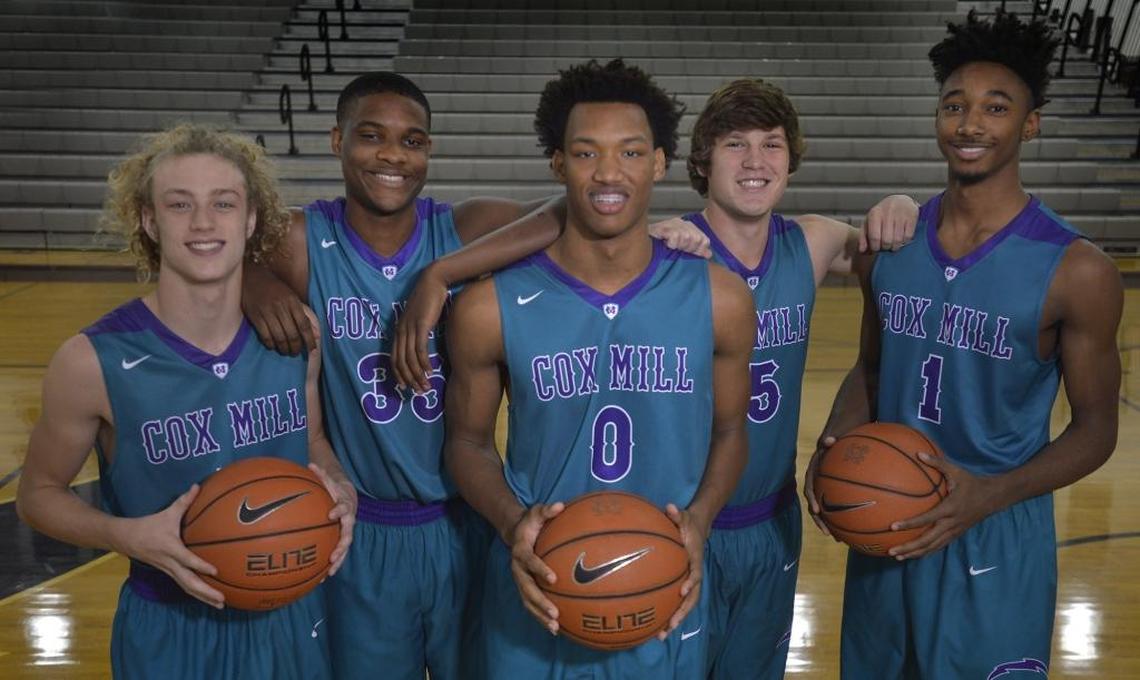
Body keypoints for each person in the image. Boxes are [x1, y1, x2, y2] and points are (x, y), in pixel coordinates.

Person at [240, 71, 713, 680]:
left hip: (470, 519)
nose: (391, 154)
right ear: (336, 141)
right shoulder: (303, 240)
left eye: (412, 141)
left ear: (430, 150)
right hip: (365, 522)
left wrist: (437, 274)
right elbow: (222, 250)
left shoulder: (463, 228)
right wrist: (252, 284)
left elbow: (570, 212)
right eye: (371, 136)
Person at [805, 12, 1122, 678]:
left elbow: (1096, 432)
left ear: (1029, 124)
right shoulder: (890, 246)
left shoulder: (1076, 269)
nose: (970, 124)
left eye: (995, 108)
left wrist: (988, 493)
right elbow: (870, 368)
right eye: (955, 105)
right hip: (885, 524)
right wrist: (831, 449)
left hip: (995, 534)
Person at [443, 58, 754, 679]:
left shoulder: (720, 298)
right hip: (538, 588)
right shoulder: (488, 307)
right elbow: (467, 443)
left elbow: (730, 433)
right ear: (558, 163)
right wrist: (513, 524)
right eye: (586, 154)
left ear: (661, 162)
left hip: (664, 590)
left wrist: (699, 521)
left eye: (632, 153)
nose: (609, 173)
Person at [15, 124, 356, 679]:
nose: (203, 223)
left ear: (250, 220)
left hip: (290, 613)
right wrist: (124, 535)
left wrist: (340, 490)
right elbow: (38, 495)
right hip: (169, 625)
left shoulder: (298, 337)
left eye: (224, 203)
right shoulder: (90, 361)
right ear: (149, 220)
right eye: (180, 205)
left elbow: (313, 442)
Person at [678, 79, 919, 679]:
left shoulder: (809, 242)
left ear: (792, 159)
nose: (756, 162)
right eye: (736, 144)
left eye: (772, 145)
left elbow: (884, 245)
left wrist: (903, 203)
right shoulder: (669, 249)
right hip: (681, 520)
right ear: (703, 159)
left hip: (772, 518)